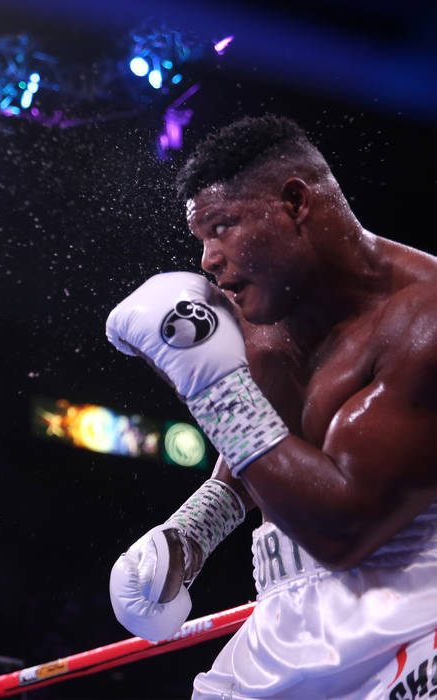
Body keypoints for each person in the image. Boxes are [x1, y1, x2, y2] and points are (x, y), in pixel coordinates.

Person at [105, 115, 437, 699]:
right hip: (283, 623)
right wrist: (195, 531)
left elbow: (342, 533)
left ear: (293, 202)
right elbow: (271, 449)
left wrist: (212, 390)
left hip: (408, 613)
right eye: (200, 239)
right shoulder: (259, 316)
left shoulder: (424, 321)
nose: (207, 259)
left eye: (223, 227)